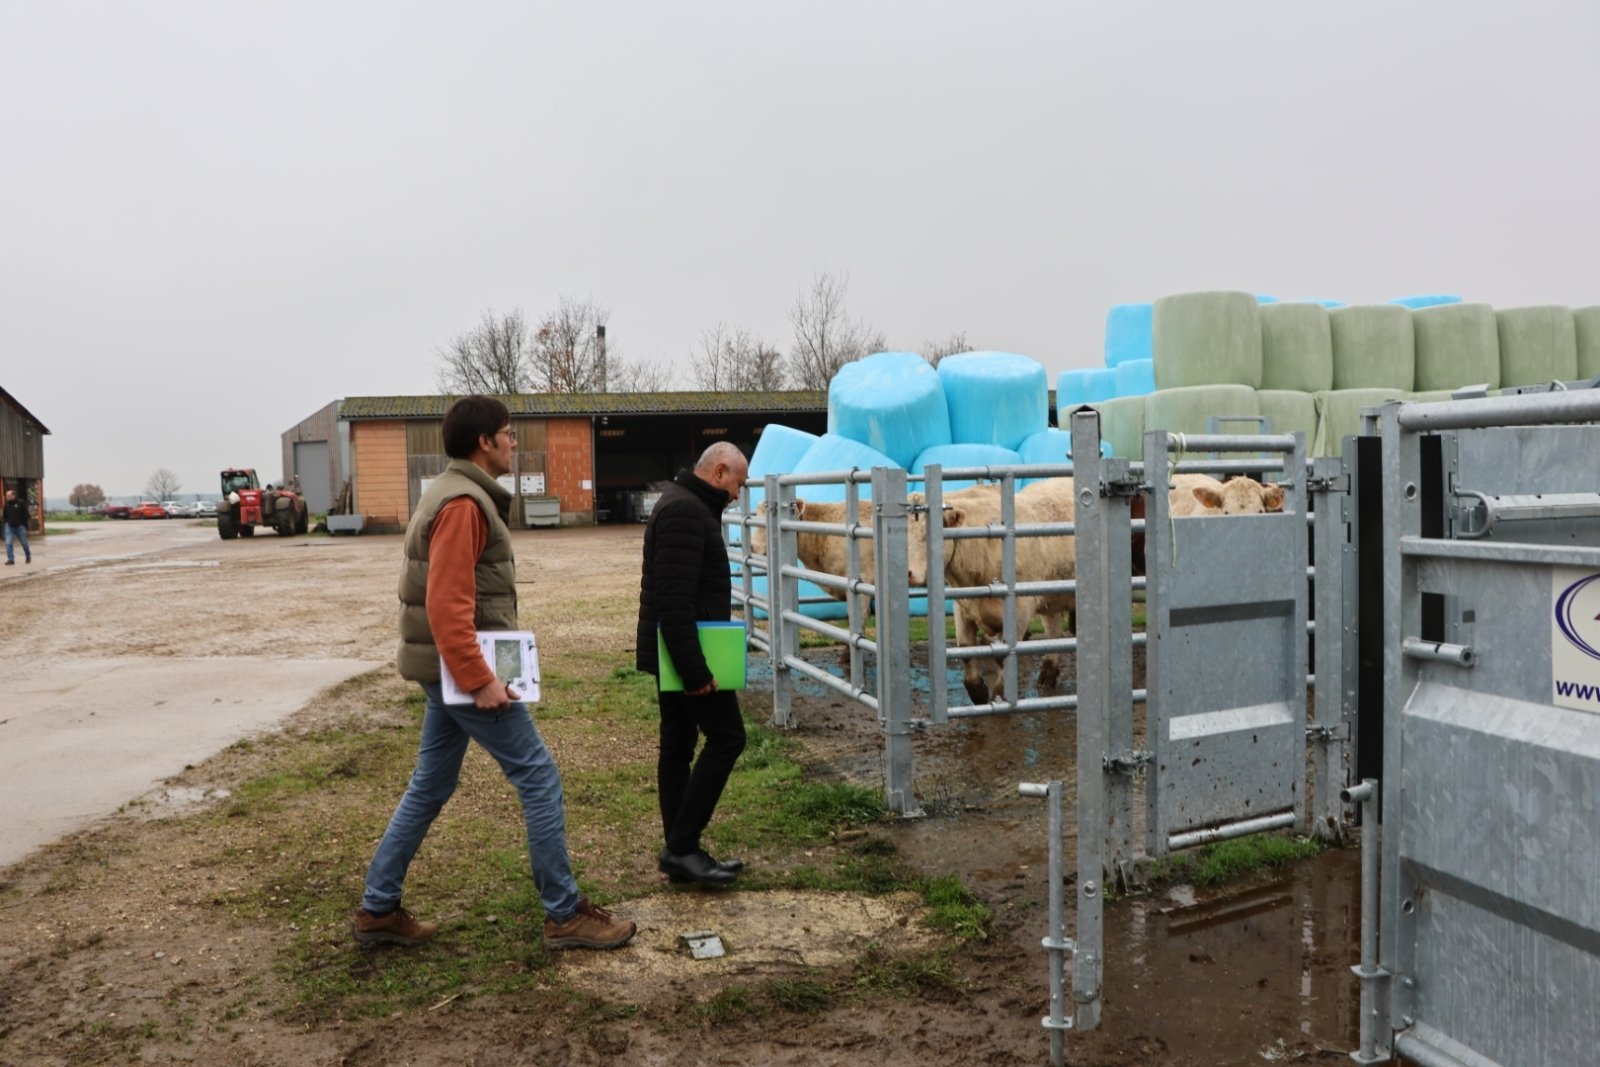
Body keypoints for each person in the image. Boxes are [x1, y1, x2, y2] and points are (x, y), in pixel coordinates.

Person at [353, 395, 635, 950]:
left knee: (430, 784)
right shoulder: (463, 504)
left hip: (447, 670)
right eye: (508, 433)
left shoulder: (455, 492)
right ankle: (564, 913)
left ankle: (378, 907)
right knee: (539, 777)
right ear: (484, 442)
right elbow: (446, 604)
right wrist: (479, 678)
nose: (513, 442)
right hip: (461, 671)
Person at [636, 441, 750, 886]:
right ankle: (682, 846)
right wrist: (695, 672)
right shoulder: (685, 511)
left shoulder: (687, 504)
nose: (738, 494)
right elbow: (674, 602)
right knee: (728, 737)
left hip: (678, 652)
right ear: (719, 472)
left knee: (679, 745)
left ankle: (680, 853)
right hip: (688, 654)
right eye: (738, 483)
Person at [4, 488, 31, 566]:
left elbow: (26, 515)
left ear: (13, 495)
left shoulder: (21, 502)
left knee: (24, 543)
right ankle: (11, 559)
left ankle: (28, 555)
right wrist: (6, 523)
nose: (7, 497)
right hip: (10, 528)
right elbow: (5, 515)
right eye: (6, 496)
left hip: (20, 527)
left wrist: (24, 525)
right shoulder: (6, 504)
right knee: (8, 543)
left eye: (8, 495)